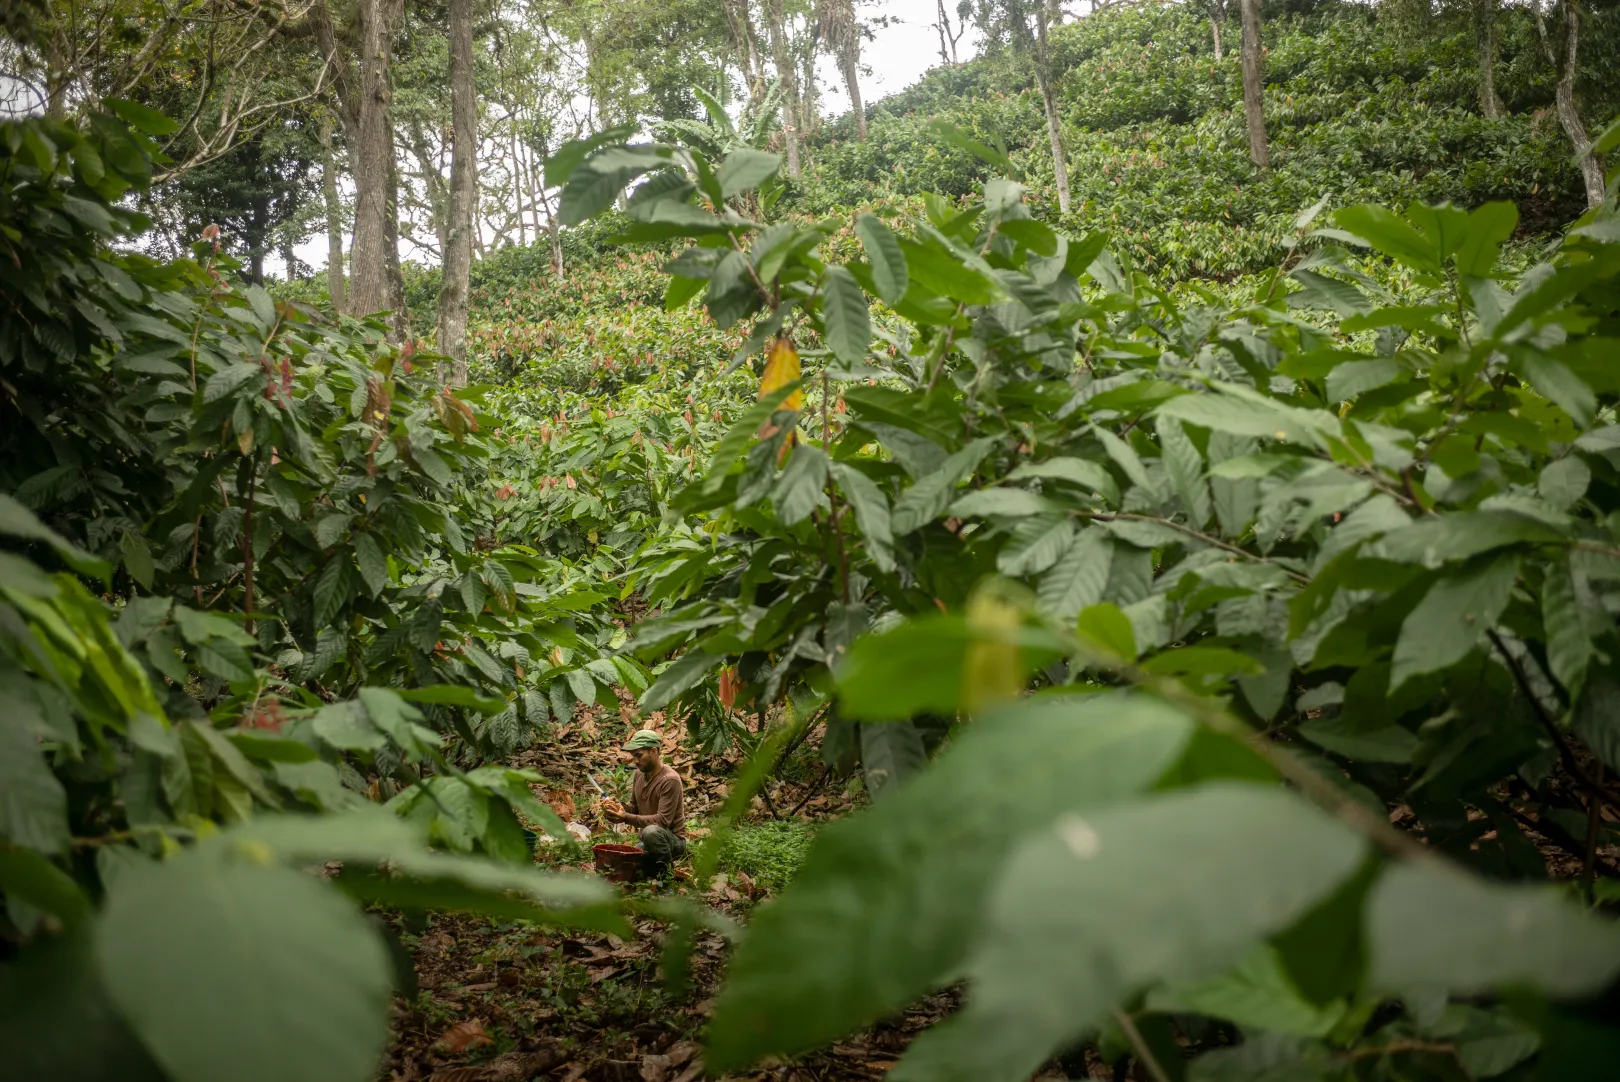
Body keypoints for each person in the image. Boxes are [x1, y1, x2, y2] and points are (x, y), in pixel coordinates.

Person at [600, 729, 686, 875]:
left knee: (651, 832)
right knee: (628, 864)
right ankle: (653, 869)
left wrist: (625, 817)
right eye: (634, 756)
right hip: (648, 841)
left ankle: (667, 876)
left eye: (639, 755)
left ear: (654, 751)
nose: (636, 761)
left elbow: (662, 821)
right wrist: (618, 807)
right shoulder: (639, 774)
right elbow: (634, 807)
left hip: (672, 841)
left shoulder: (670, 780)